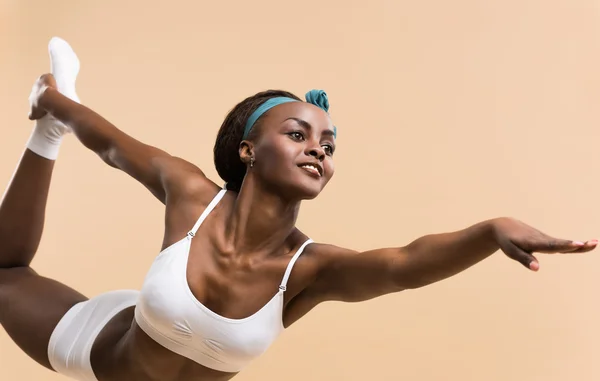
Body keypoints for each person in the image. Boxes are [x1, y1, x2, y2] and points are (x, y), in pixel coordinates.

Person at [0, 37, 596, 381]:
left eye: (328, 146)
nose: (318, 149)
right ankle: (46, 131)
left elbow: (405, 264)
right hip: (94, 347)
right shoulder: (191, 196)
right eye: (299, 134)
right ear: (249, 150)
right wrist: (53, 101)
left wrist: (491, 231)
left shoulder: (308, 271)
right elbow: (110, 144)